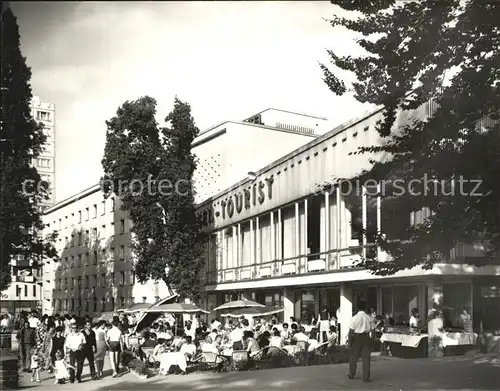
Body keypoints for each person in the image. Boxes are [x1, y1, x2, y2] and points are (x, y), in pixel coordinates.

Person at [347, 301, 374, 382]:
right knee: (366, 358)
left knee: (353, 357)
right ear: (365, 308)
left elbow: (351, 331)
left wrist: (349, 342)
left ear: (357, 308)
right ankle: (366, 377)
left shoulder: (354, 318)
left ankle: (352, 373)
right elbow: (373, 331)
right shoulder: (369, 318)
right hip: (366, 337)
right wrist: (372, 341)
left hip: (357, 338)